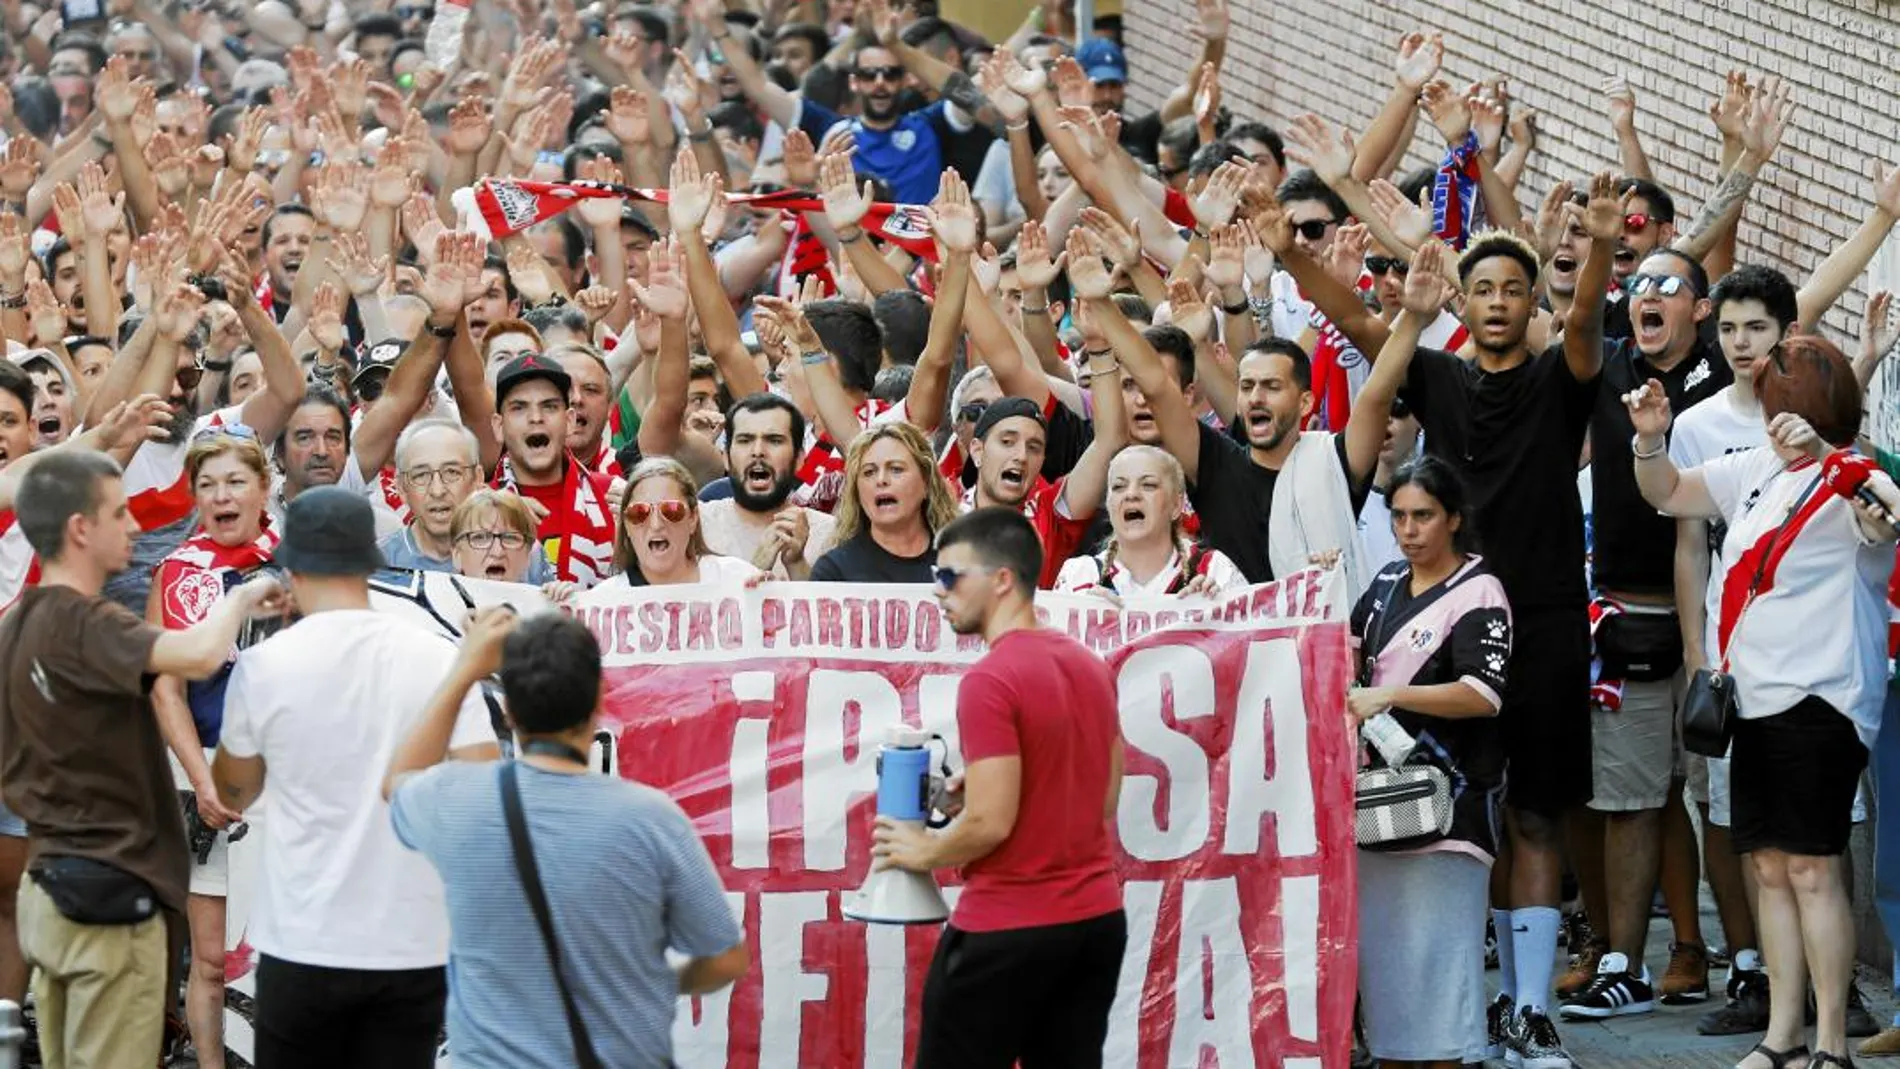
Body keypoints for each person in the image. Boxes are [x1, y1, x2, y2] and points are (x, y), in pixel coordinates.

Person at [1630, 334, 1899, 1069]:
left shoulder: (1854, 478)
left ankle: (1833, 1044)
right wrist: (1650, 441)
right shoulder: (1755, 467)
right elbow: (1666, 492)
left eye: (1782, 391)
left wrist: (1833, 458)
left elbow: (1892, 518)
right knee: (1770, 869)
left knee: (1812, 868)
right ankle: (1782, 1036)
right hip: (1750, 700)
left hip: (1823, 701)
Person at [0, 448, 284, 1069]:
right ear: (81, 528)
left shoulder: (17, 624)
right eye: (120, 513)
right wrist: (240, 602)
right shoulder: (88, 622)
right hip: (106, 900)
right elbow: (199, 656)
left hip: (48, 892)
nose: (135, 527)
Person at [210, 487, 501, 1068]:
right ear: (371, 562)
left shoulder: (268, 665)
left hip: (303, 938)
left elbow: (233, 792)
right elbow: (482, 789)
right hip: (411, 938)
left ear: (291, 567)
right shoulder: (440, 657)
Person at [382, 608, 748, 1067]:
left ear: (509, 710)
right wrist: (654, 983)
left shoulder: (455, 801)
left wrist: (463, 671)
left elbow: (398, 779)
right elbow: (726, 959)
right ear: (599, 697)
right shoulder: (653, 821)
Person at [873, 507, 1125, 1068]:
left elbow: (991, 822)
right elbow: (1103, 796)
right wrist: (1001, 782)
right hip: (1095, 924)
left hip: (1008, 927)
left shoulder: (990, 679)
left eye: (949, 576)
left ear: (1003, 579)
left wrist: (923, 851)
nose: (938, 592)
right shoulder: (1089, 665)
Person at [1346, 455, 1513, 1067]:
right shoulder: (1386, 581)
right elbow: (1345, 651)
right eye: (1398, 517)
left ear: (1454, 519)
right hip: (1379, 805)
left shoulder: (1480, 590)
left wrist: (1392, 694)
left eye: (1423, 516)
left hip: (1453, 804)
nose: (1409, 530)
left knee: (1442, 979)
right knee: (1388, 982)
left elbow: (1482, 693)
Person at [149, 430, 279, 1069]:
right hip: (198, 776)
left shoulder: (299, 561)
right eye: (207, 484)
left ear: (264, 487)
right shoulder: (176, 571)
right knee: (209, 957)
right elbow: (164, 688)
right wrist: (203, 782)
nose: (221, 496)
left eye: (235, 481)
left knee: (280, 952)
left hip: (286, 785)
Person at [488, 353, 619, 588]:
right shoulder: (479, 510)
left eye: (549, 407)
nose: (536, 418)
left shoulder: (613, 496)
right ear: (498, 427)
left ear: (569, 421)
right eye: (519, 408)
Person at [1056, 445, 1245, 596]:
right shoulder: (1078, 577)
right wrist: (1083, 622)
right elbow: (1046, 644)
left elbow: (1253, 639)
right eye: (1119, 486)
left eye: (1148, 485)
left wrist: (1217, 611)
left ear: (1176, 505)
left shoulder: (1214, 569)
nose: (1131, 494)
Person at [380, 420, 556, 582]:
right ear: (401, 488)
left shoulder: (520, 548)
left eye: (452, 472)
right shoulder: (377, 563)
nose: (437, 490)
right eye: (421, 475)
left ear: (478, 479)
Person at [698, 393, 838, 579]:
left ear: (799, 459)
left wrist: (797, 564)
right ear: (726, 458)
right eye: (745, 440)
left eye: (774, 440)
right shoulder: (695, 526)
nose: (758, 452)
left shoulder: (830, 535)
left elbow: (832, 607)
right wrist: (753, 569)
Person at [811, 421, 960, 583]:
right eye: (869, 472)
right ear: (857, 491)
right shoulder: (833, 572)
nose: (881, 480)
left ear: (926, 482)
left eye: (896, 469)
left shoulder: (962, 563)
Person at [612, 457, 761, 586]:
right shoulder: (604, 603)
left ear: (693, 518)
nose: (656, 525)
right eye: (639, 512)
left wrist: (764, 596)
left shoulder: (738, 578)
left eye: (671, 510)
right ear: (626, 524)